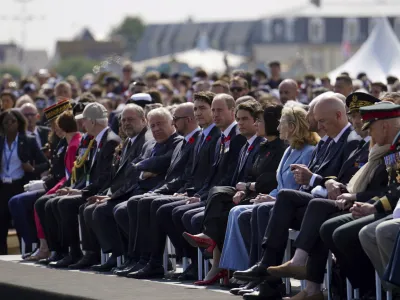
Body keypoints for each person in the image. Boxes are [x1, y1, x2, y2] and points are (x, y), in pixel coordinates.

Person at [233, 93, 360, 299]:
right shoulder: (326, 142)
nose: (319, 127)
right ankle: (269, 278)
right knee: (265, 208)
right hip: (316, 202)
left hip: (334, 203)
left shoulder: (351, 141)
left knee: (286, 199)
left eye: (322, 121)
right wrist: (312, 180)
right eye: (317, 121)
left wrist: (312, 179)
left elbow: (341, 183)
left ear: (338, 115)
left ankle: (271, 270)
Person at [266, 93, 389, 300]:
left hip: (372, 205)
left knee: (324, 219)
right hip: (349, 200)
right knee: (304, 208)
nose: (358, 121)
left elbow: (388, 189)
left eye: (363, 116)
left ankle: (364, 289)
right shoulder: (361, 145)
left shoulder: (371, 146)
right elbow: (343, 179)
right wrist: (330, 183)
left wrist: (354, 196)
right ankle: (286, 275)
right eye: (355, 116)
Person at [113, 92, 221, 279]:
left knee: (155, 205)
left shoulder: (195, 139)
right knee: (138, 203)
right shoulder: (191, 140)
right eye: (195, 109)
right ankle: (143, 259)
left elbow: (192, 176)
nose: (172, 124)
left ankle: (161, 261)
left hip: (197, 193)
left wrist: (184, 192)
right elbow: (183, 175)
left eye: (174, 120)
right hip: (183, 190)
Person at [225, 105, 318, 295]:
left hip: (295, 207)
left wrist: (272, 200)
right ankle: (256, 275)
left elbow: (300, 189)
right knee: (245, 214)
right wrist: (269, 197)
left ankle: (269, 281)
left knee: (261, 211)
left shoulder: (308, 151)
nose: (278, 126)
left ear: (292, 127)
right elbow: (280, 186)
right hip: (280, 201)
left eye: (281, 123)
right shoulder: (289, 150)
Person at [319, 102, 400, 297]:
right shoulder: (392, 147)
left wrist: (374, 206)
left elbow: (396, 190)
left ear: (385, 126)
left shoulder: (396, 148)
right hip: (389, 207)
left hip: (392, 210)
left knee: (357, 233)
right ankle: (370, 289)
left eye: (371, 128)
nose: (370, 134)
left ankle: (381, 290)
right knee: (330, 229)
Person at [182, 100, 265, 285]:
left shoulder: (259, 144)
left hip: (252, 196)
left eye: (245, 119)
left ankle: (223, 265)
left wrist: (245, 190)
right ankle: (217, 265)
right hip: (237, 193)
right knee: (214, 197)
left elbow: (261, 179)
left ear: (257, 121)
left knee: (210, 211)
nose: (241, 123)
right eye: (239, 119)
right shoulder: (244, 144)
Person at [47, 103, 121, 269]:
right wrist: (76, 189)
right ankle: (66, 251)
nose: (82, 124)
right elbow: (88, 173)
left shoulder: (110, 141)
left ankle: (86, 253)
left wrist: (81, 191)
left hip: (103, 191)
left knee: (65, 203)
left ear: (93, 122)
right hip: (93, 188)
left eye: (85, 121)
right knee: (53, 202)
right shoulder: (96, 141)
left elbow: (105, 177)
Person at [8, 100, 72, 259]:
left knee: (27, 202)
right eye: (52, 124)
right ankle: (33, 244)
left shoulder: (69, 141)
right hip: (51, 182)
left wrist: (43, 182)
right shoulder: (58, 140)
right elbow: (54, 168)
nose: (54, 127)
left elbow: (64, 172)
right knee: (15, 201)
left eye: (56, 123)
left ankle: (41, 245)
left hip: (60, 184)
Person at [0, 109, 48, 254]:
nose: (9, 125)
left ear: (19, 123)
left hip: (20, 186)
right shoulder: (0, 141)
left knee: (21, 223)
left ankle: (26, 252)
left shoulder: (28, 140)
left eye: (13, 121)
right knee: (1, 225)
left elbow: (45, 164)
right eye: (6, 122)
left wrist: (32, 169)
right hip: (2, 187)